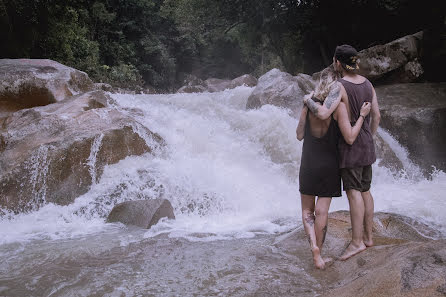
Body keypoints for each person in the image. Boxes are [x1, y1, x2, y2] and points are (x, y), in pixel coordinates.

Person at [305, 44, 380, 261]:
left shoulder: (340, 86)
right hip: (366, 144)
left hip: (352, 148)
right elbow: (377, 116)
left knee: (354, 192)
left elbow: (324, 112)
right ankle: (368, 237)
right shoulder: (368, 83)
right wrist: (369, 137)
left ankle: (357, 243)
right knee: (366, 190)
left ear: (338, 62)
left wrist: (308, 100)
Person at [296, 66, 371, 269]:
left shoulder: (308, 105)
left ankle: (314, 249)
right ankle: (319, 254)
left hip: (309, 163)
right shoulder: (338, 109)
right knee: (322, 212)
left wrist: (307, 103)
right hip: (330, 164)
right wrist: (363, 115)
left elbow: (299, 135)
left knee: (306, 212)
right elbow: (350, 136)